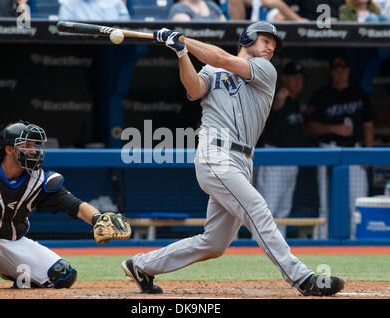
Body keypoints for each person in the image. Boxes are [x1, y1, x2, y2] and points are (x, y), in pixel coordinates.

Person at [121, 22, 345, 296]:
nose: (271, 47)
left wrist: (183, 40)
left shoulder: (265, 70)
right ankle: (303, 278)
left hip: (242, 160)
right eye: (265, 40)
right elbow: (193, 89)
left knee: (214, 243)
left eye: (274, 44)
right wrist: (180, 53)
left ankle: (142, 265)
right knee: (258, 209)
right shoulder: (211, 70)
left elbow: (222, 58)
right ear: (247, 37)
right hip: (215, 154)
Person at [0, 121, 125, 287]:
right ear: (9, 149)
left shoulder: (40, 180)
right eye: (26, 146)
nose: (33, 151)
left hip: (13, 243)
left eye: (35, 145)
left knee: (63, 275)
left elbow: (75, 205)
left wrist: (98, 219)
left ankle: (13, 271)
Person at [305, 57, 375, 239]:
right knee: (326, 201)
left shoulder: (359, 94)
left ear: (349, 71)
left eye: (343, 69)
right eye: (336, 69)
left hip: (355, 151)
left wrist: (368, 153)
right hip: (329, 150)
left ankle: (357, 242)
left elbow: (368, 125)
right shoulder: (321, 95)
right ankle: (324, 241)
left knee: (358, 200)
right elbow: (310, 126)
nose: (340, 73)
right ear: (330, 72)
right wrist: (334, 128)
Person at [255, 61, 309, 238]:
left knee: (284, 209)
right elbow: (262, 123)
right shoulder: (274, 98)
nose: (298, 81)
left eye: (300, 78)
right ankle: (259, 248)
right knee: (268, 208)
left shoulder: (295, 102)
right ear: (285, 78)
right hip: (275, 158)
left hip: (292, 159)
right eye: (294, 77)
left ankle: (280, 250)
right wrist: (276, 103)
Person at [227, 0, 307, 21]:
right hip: (251, 26)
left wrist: (276, 4)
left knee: (279, 17)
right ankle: (238, 31)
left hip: (278, 14)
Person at [58, 0, 130, 21]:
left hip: (114, 47)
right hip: (80, 47)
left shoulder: (116, 2)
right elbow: (64, 30)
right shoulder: (68, 4)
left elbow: (125, 27)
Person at [280, 0, 345, 21]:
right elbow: (276, 2)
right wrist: (298, 19)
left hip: (339, 33)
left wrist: (339, 22)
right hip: (308, 32)